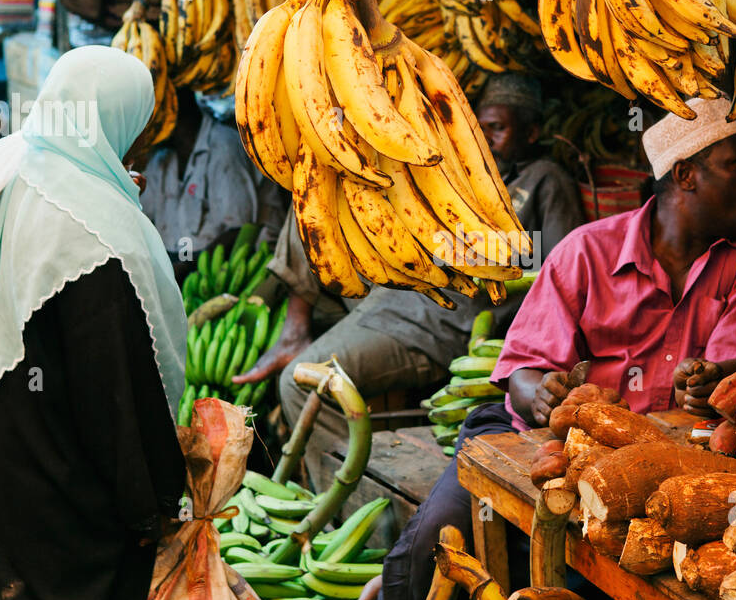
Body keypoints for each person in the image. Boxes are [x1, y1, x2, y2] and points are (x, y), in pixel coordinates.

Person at [362, 94, 736, 600]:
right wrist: (540, 393)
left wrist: (710, 388)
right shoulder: (587, 252)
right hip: (539, 448)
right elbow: (521, 372)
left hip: (672, 468)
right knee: (430, 547)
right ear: (685, 175)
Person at [0, 46, 188, 600]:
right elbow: (113, 396)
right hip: (67, 470)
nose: (134, 153)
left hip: (5, 449)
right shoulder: (94, 235)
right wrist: (151, 506)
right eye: (132, 132)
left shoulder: (10, 174)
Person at [233, 73, 585, 466]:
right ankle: (292, 329)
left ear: (532, 132)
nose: (485, 139)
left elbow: (558, 273)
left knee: (300, 382)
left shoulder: (545, 181)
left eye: (498, 128)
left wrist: (477, 255)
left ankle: (357, 504)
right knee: (320, 188)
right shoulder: (459, 172)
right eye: (478, 128)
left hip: (436, 322)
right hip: (394, 290)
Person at [136, 88, 288, 279]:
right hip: (180, 268)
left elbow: (240, 233)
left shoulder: (225, 147)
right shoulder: (161, 158)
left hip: (236, 274)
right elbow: (141, 215)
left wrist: (182, 269)